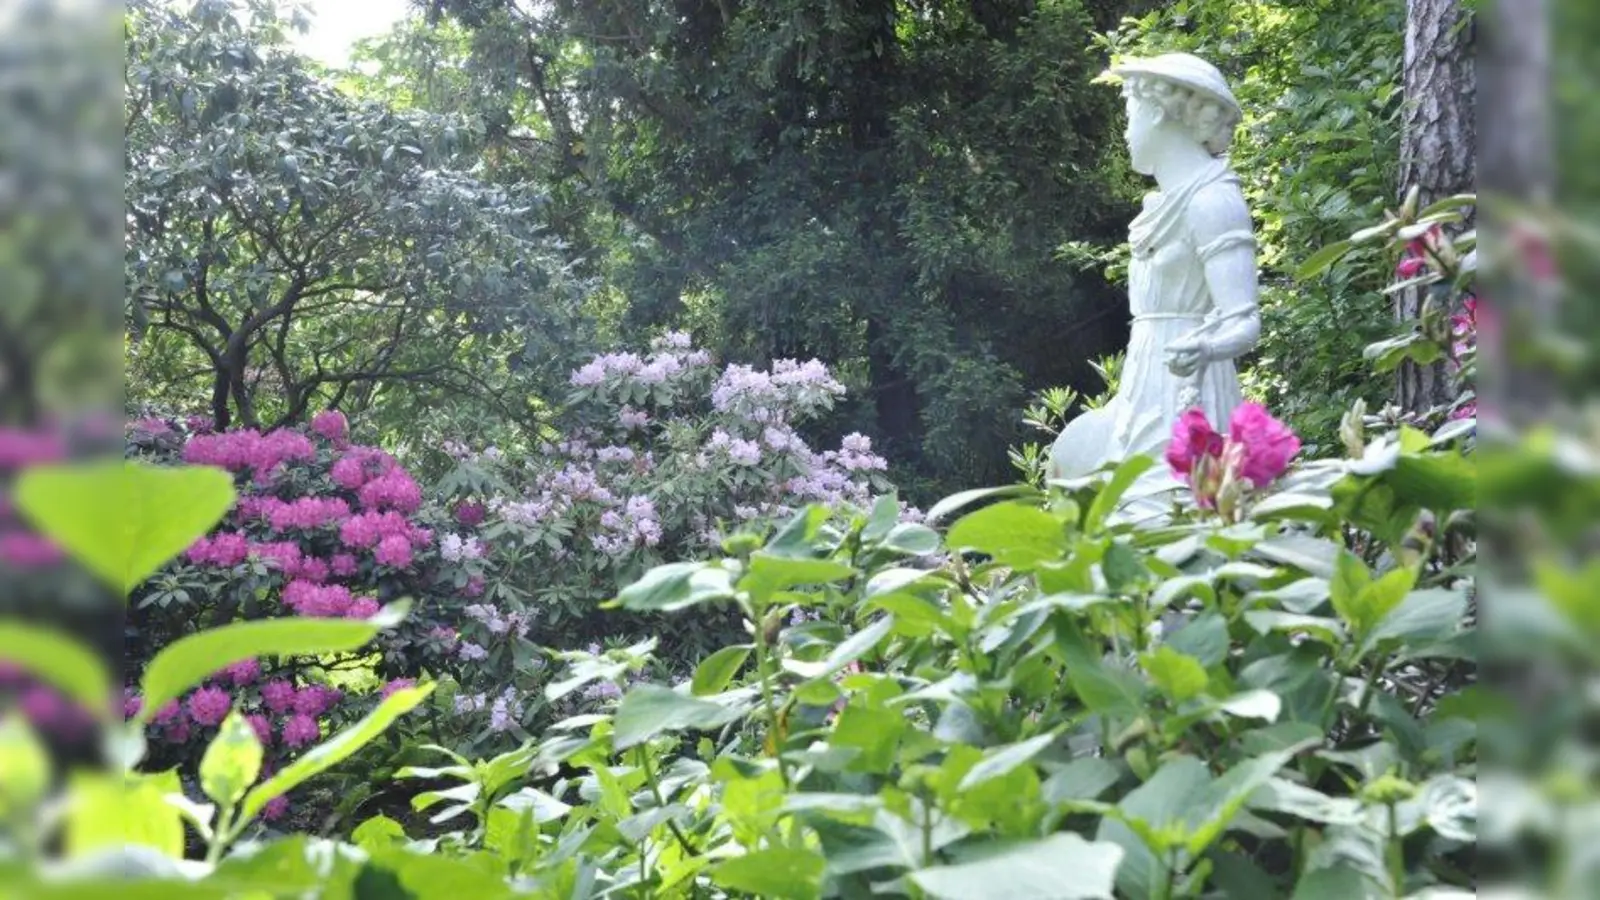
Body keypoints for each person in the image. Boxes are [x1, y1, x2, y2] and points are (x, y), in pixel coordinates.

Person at [1049, 53, 1260, 497]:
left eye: (1131, 117)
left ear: (1164, 115)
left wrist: (1204, 346)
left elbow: (1244, 322)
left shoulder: (1212, 202)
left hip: (1191, 385)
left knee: (1175, 513)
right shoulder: (1166, 205)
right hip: (1144, 379)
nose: (1125, 132)